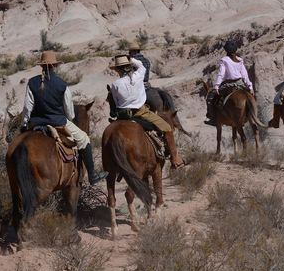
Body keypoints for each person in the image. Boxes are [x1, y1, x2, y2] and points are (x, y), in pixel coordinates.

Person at [20, 51, 108, 185]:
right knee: (84, 139)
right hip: (58, 122)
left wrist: (24, 124)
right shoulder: (62, 84)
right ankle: (92, 175)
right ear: (55, 66)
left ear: (41, 66)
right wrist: (69, 120)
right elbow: (69, 110)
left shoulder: (32, 82)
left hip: (35, 122)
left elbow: (27, 107)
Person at [110, 54, 184, 169]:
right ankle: (175, 158)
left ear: (118, 69)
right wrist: (132, 60)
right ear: (129, 66)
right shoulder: (138, 75)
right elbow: (142, 66)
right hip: (141, 112)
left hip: (123, 115)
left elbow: (116, 101)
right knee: (167, 128)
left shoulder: (115, 84)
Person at [204, 40, 254, 126]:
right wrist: (250, 86)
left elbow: (221, 74)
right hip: (240, 83)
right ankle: (251, 116)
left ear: (226, 50)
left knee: (211, 96)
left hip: (228, 83)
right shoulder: (240, 59)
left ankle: (213, 118)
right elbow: (244, 74)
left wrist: (216, 86)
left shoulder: (224, 60)